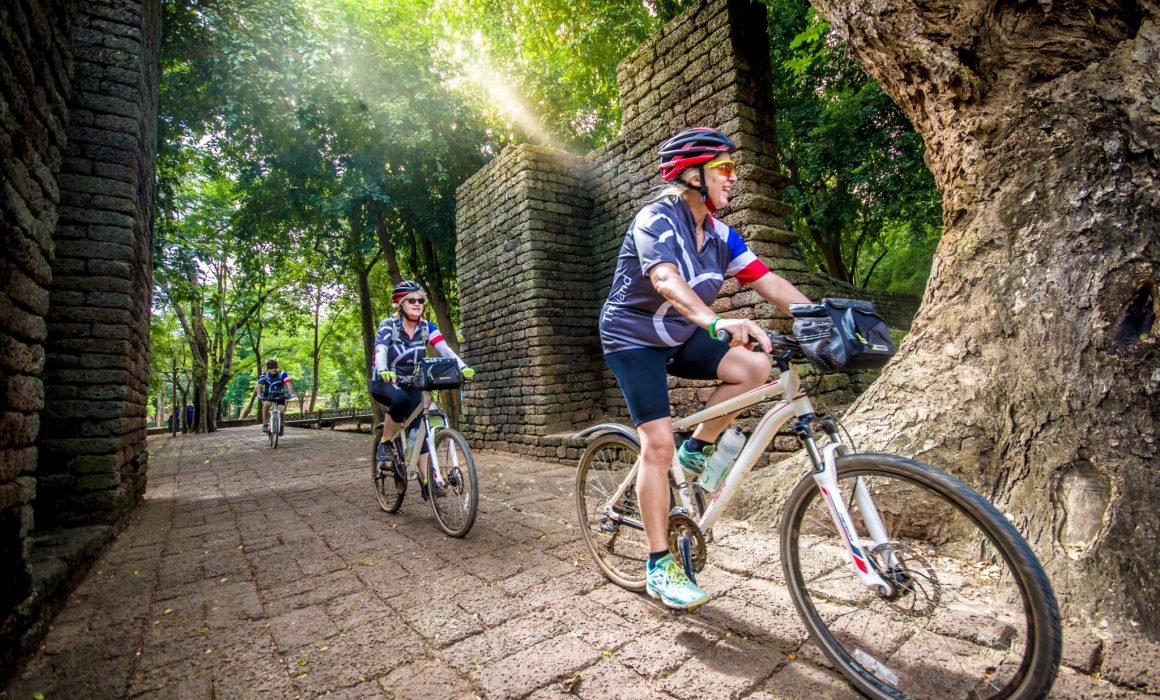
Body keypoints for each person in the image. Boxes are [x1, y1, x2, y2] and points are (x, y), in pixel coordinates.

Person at [600, 126, 812, 611]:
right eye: (725, 168)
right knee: (656, 446)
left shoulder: (720, 234)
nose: (732, 179)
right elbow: (665, 279)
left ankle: (696, 450)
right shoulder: (655, 219)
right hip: (632, 337)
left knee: (755, 368)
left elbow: (768, 281)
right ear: (691, 175)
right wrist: (715, 320)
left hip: (679, 332)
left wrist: (818, 319)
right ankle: (658, 565)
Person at [370, 280, 474, 498]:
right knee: (398, 400)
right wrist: (382, 369)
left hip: (412, 382)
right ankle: (386, 442)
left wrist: (462, 366)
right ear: (400, 303)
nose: (417, 304)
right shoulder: (389, 325)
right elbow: (380, 350)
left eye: (420, 301)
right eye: (412, 300)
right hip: (385, 381)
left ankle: (428, 483)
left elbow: (445, 350)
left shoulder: (427, 327)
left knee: (418, 432)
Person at [256, 359, 294, 434]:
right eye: (271, 368)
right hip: (268, 395)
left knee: (281, 410)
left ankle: (281, 426)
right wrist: (259, 394)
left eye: (275, 367)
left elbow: (288, 383)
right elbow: (259, 385)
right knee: (266, 405)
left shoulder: (282, 374)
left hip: (280, 395)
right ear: (268, 368)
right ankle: (265, 424)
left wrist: (290, 393)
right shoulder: (264, 375)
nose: (273, 369)